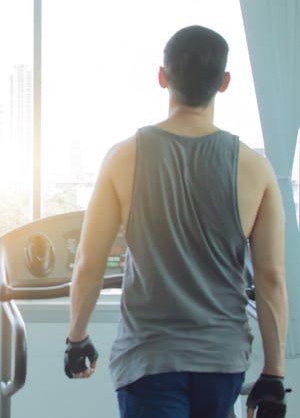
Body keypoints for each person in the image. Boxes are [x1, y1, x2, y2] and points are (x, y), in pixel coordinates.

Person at [63, 25, 289, 418]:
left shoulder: (123, 158)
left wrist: (77, 338)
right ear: (224, 82)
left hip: (149, 361)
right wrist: (273, 373)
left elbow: (88, 263)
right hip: (222, 361)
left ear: (163, 77)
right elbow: (271, 278)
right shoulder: (256, 169)